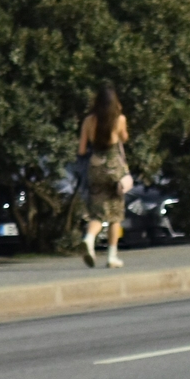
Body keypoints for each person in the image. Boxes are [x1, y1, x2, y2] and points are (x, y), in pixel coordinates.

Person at [76, 82, 130, 268]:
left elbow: (82, 150)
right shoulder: (119, 119)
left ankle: (89, 239)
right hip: (114, 169)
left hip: (95, 167)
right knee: (115, 214)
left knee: (97, 213)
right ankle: (111, 256)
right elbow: (124, 138)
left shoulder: (88, 121)